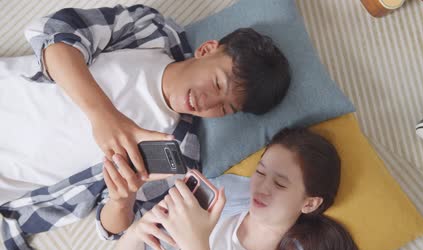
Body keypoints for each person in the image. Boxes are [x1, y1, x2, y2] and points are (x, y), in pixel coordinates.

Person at [0, 4, 290, 205]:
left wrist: (122, 198)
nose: (208, 102)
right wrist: (104, 117)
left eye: (225, 109)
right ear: (206, 50)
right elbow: (56, 36)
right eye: (217, 83)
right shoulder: (149, 33)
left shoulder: (180, 154)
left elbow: (113, 224)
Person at [115, 127, 366, 250]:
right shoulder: (223, 198)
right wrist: (137, 233)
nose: (262, 187)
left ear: (309, 203)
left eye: (280, 184)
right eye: (260, 171)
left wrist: (196, 243)